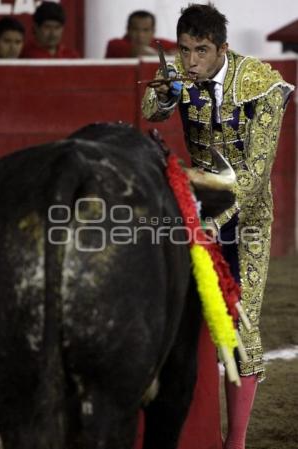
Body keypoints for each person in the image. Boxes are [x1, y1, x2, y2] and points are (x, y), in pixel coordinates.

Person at [142, 3, 294, 449]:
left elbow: (256, 174)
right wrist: (168, 92)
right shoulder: (181, 73)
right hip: (196, 210)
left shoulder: (262, 86)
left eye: (201, 51)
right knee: (176, 313)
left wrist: (209, 217)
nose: (191, 61)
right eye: (185, 50)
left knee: (240, 324)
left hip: (245, 218)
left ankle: (237, 442)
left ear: (223, 48)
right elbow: (151, 110)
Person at [105, 10, 177, 58]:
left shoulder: (157, 43)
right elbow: (140, 51)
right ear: (128, 30)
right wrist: (168, 58)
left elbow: (183, 48)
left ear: (153, 31)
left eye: (146, 30)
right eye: (135, 29)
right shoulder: (115, 45)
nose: (140, 35)